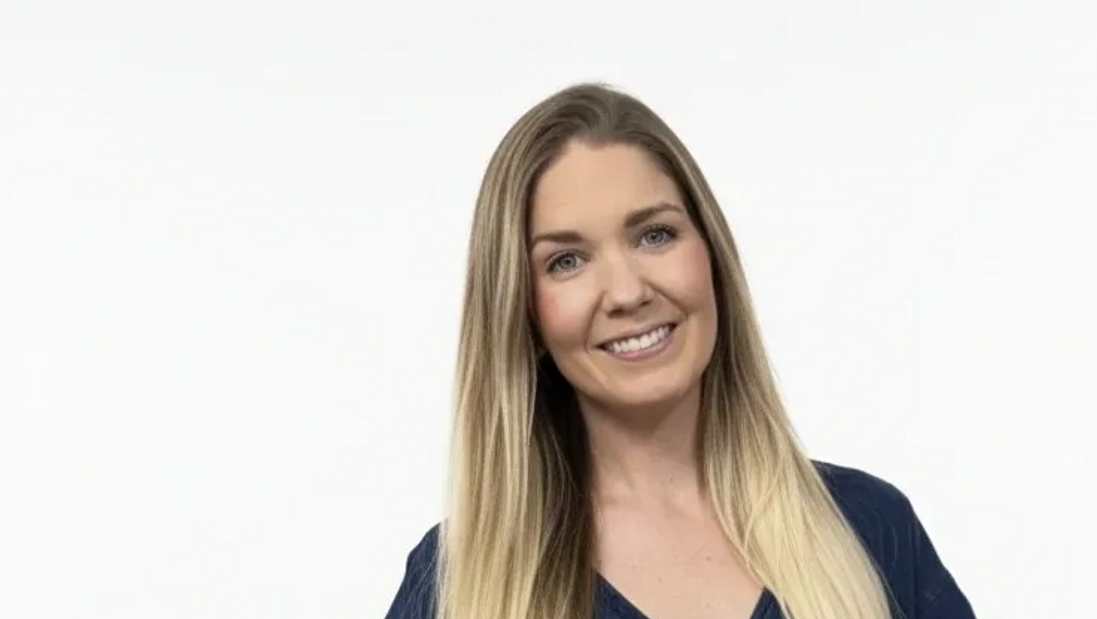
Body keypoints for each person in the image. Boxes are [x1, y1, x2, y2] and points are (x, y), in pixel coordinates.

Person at [384, 83, 974, 619]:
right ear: (523, 312)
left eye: (655, 235)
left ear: (711, 255)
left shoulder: (869, 529)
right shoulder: (455, 587)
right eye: (567, 261)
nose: (627, 291)